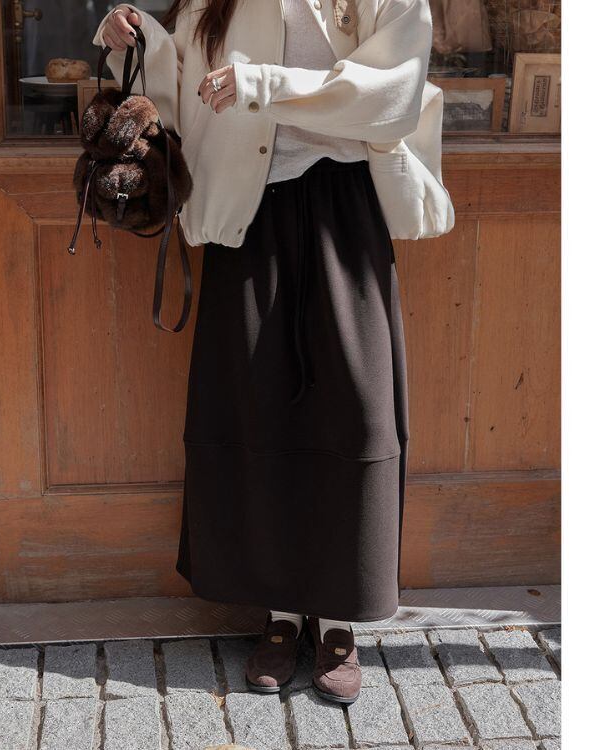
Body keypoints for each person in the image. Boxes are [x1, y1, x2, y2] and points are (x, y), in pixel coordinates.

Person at [94, 0, 453, 704]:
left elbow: (393, 93)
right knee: (257, 409)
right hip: (248, 214)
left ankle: (339, 617)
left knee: (355, 415)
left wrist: (266, 83)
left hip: (346, 209)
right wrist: (134, 40)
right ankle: (282, 613)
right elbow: (183, 96)